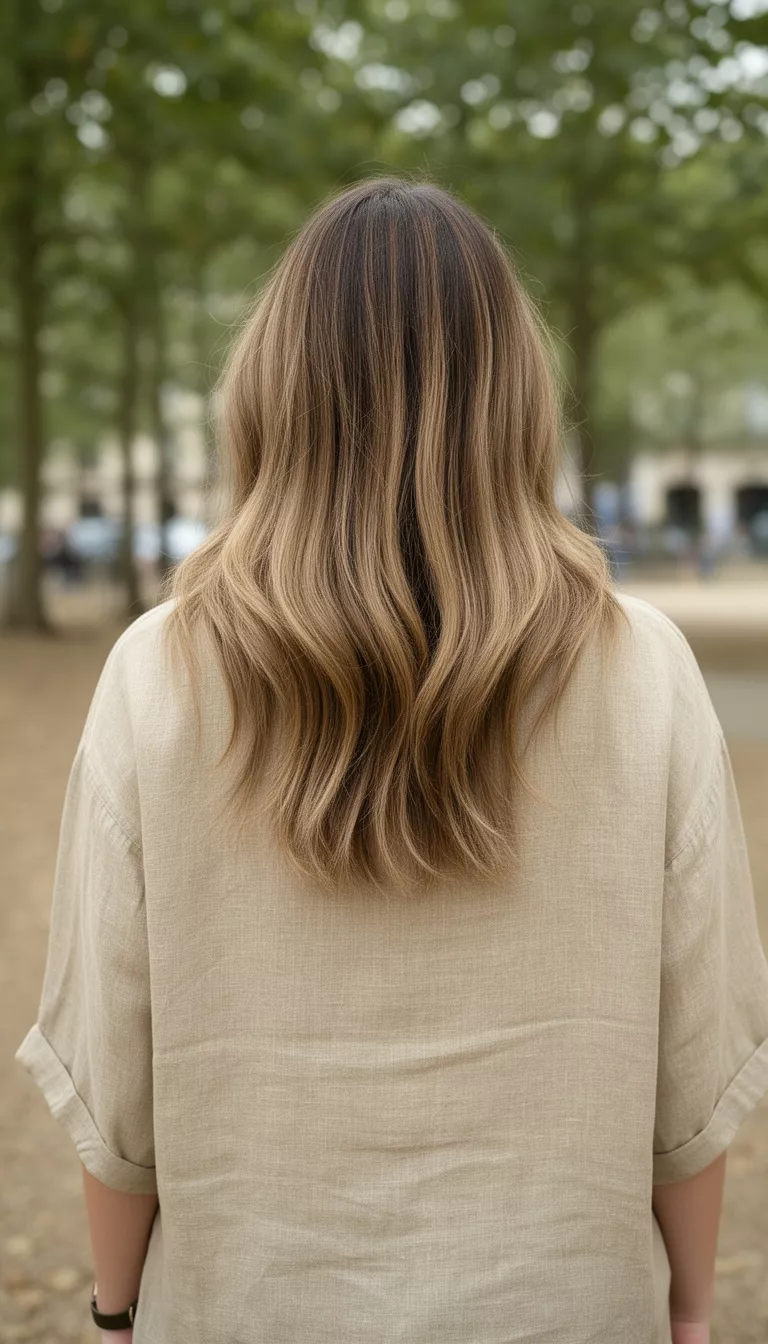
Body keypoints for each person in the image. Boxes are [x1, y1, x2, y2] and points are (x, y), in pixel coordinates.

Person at [14, 177, 768, 1344]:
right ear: (516, 395)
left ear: (274, 388)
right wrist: (685, 1310)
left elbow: (115, 1092)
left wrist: (115, 1315)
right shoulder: (647, 671)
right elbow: (692, 1076)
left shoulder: (154, 675)